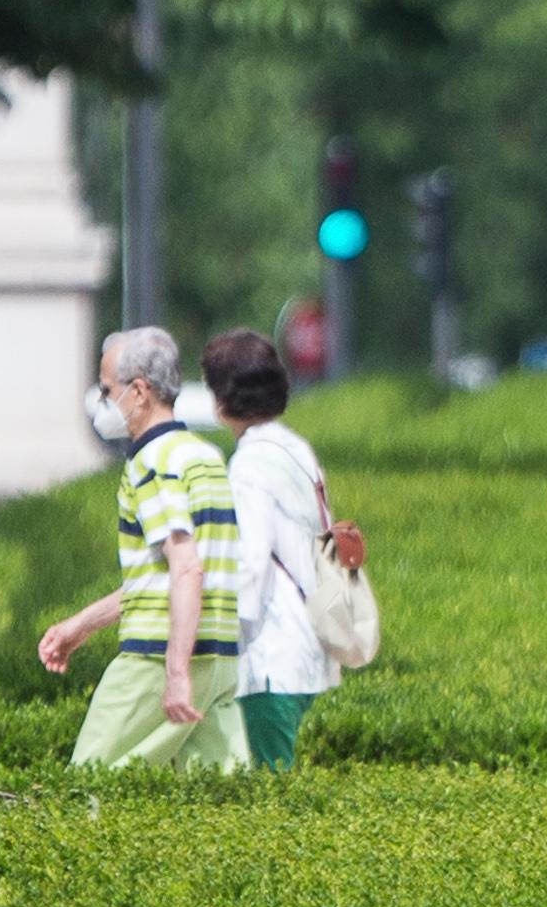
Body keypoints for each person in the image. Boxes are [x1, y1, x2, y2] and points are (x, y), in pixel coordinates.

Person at [37, 327, 249, 769]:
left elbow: (186, 569)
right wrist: (83, 625)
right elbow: (163, 578)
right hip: (221, 659)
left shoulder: (152, 462)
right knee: (219, 807)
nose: (102, 402)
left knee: (87, 787)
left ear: (138, 392)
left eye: (106, 389)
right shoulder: (205, 457)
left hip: (157, 657)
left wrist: (174, 672)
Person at [203, 328, 340, 771]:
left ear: (223, 398)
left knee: (271, 792)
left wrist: (211, 637)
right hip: (308, 646)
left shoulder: (248, 465)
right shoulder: (295, 448)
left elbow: (250, 561)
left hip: (270, 656)